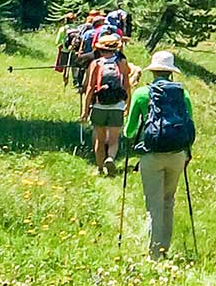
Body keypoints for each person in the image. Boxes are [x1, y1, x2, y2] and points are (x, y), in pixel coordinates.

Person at [126, 50, 196, 258]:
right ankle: (164, 247)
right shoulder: (183, 94)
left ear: (153, 71)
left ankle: (155, 253)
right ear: (171, 73)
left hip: (151, 155)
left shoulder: (141, 94)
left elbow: (129, 131)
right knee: (168, 201)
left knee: (153, 204)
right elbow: (189, 125)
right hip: (177, 154)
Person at [81, 32, 132, 176]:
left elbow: (90, 88)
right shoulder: (121, 62)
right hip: (117, 105)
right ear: (115, 48)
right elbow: (126, 85)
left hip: (99, 105)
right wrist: (127, 103)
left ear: (100, 49)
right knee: (114, 139)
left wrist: (85, 110)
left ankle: (99, 168)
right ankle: (110, 158)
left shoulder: (95, 63)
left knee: (99, 138)